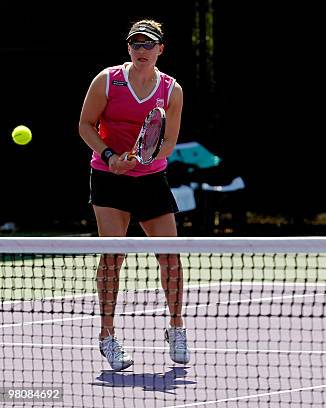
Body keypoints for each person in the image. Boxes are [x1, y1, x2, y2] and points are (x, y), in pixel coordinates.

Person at [78, 19, 190, 371]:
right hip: (109, 179)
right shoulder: (107, 81)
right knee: (113, 256)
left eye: (148, 44)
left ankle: (176, 327)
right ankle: (107, 336)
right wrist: (111, 158)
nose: (141, 50)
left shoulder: (172, 90)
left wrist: (143, 159)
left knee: (170, 258)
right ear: (128, 48)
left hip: (151, 179)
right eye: (135, 44)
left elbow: (169, 141)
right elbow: (85, 125)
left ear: (160, 49)